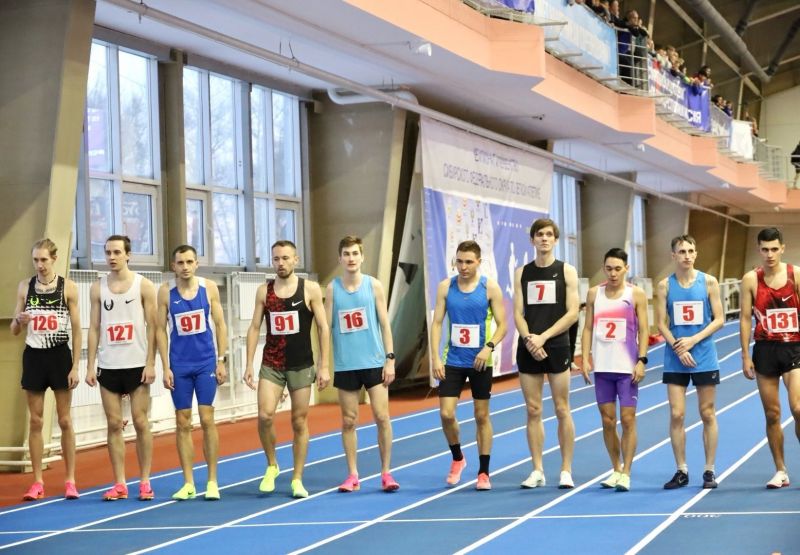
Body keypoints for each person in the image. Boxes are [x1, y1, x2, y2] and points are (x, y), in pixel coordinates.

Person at [243, 240, 330, 499]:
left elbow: (323, 328)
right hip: (272, 363)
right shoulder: (264, 291)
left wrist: (324, 366)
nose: (280, 263)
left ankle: (297, 478)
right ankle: (272, 465)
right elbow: (254, 327)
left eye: (285, 258)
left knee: (299, 421)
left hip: (301, 364)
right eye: (276, 259)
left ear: (295, 260)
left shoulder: (310, 289)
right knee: (265, 415)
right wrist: (248, 363)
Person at [86, 235, 158, 501]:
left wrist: (151, 362)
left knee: (140, 422)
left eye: (117, 252)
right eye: (107, 252)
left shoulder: (143, 285)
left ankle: (145, 481)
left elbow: (154, 327)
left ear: (128, 254)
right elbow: (94, 328)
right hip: (109, 365)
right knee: (114, 424)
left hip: (137, 365)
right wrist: (90, 365)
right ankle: (119, 483)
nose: (112, 257)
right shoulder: (97, 288)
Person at [430, 240, 507, 490]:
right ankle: (458, 458)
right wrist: (435, 358)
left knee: (481, 415)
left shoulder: (489, 288)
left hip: (480, 361)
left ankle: (483, 472)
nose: (463, 267)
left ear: (478, 262)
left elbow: (503, 325)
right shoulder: (446, 287)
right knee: (446, 414)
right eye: (459, 261)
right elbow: (437, 323)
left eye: (469, 262)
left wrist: (488, 347)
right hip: (453, 359)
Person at [325, 236, 399, 493]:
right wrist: (324, 364)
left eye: (355, 253)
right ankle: (353, 474)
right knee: (348, 420)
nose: (351, 258)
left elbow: (385, 325)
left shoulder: (373, 285)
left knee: (382, 416)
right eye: (346, 254)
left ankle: (386, 472)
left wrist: (390, 359)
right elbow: (326, 329)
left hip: (375, 363)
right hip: (346, 365)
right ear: (340, 258)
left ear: (362, 256)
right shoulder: (332, 289)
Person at [10, 239, 81, 501]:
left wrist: (75, 366)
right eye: (35, 260)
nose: (39, 265)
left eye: (44, 260)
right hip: (34, 357)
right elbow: (14, 330)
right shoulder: (25, 287)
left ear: (54, 259)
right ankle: (38, 481)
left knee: (65, 420)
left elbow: (77, 329)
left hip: (59, 355)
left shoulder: (67, 287)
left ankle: (70, 480)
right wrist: (19, 320)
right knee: (36, 421)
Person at [156, 245, 228, 501]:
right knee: (183, 422)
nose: (185, 267)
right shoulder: (165, 292)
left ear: (197, 264)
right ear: (173, 266)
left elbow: (220, 324)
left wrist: (221, 360)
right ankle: (188, 483)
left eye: (189, 262)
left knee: (207, 419)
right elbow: (160, 330)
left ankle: (212, 481)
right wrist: (165, 366)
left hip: (205, 362)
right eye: (180, 262)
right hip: (180, 365)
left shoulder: (209, 288)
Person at [513, 218, 580, 489]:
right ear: (532, 239)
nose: (544, 238)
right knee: (533, 409)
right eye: (539, 234)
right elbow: (518, 312)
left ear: (555, 240)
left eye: (549, 234)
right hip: (529, 345)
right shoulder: (522, 272)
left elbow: (573, 312)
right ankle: (537, 469)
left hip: (556, 345)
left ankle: (566, 470)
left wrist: (544, 337)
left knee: (562, 408)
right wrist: (530, 339)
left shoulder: (567, 271)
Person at [655, 235, 724, 489]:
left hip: (704, 354)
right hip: (676, 357)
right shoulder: (664, 285)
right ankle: (681, 470)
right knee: (677, 414)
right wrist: (678, 346)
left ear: (696, 254)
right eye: (682, 251)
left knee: (707, 412)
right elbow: (661, 323)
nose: (687, 255)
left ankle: (709, 470)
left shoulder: (709, 282)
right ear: (673, 255)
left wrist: (693, 340)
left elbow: (719, 319)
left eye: (691, 251)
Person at [581, 248, 649, 492]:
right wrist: (585, 358)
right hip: (603, 367)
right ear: (603, 268)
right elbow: (588, 328)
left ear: (626, 269)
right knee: (608, 420)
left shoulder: (636, 294)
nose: (613, 273)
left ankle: (627, 472)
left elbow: (644, 329)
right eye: (608, 269)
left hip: (627, 367)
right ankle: (616, 468)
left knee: (628, 419)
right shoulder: (594, 293)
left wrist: (642, 360)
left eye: (618, 269)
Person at [740, 227, 800, 489]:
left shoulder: (796, 274)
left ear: (782, 248)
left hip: (794, 347)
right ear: (759, 250)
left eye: (774, 249)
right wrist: (745, 355)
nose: (770, 254)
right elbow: (745, 318)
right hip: (765, 350)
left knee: (798, 408)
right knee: (772, 414)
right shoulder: (751, 279)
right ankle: (781, 470)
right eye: (765, 249)